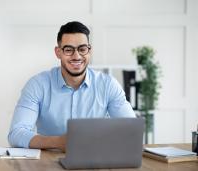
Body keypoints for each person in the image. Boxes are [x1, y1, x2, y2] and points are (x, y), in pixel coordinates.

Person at [8, 21, 135, 152]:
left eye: (82, 49)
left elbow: (131, 129)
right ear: (58, 52)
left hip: (96, 159)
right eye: (68, 50)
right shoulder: (37, 85)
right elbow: (16, 134)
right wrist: (58, 142)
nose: (76, 56)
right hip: (48, 162)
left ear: (89, 51)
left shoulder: (108, 85)